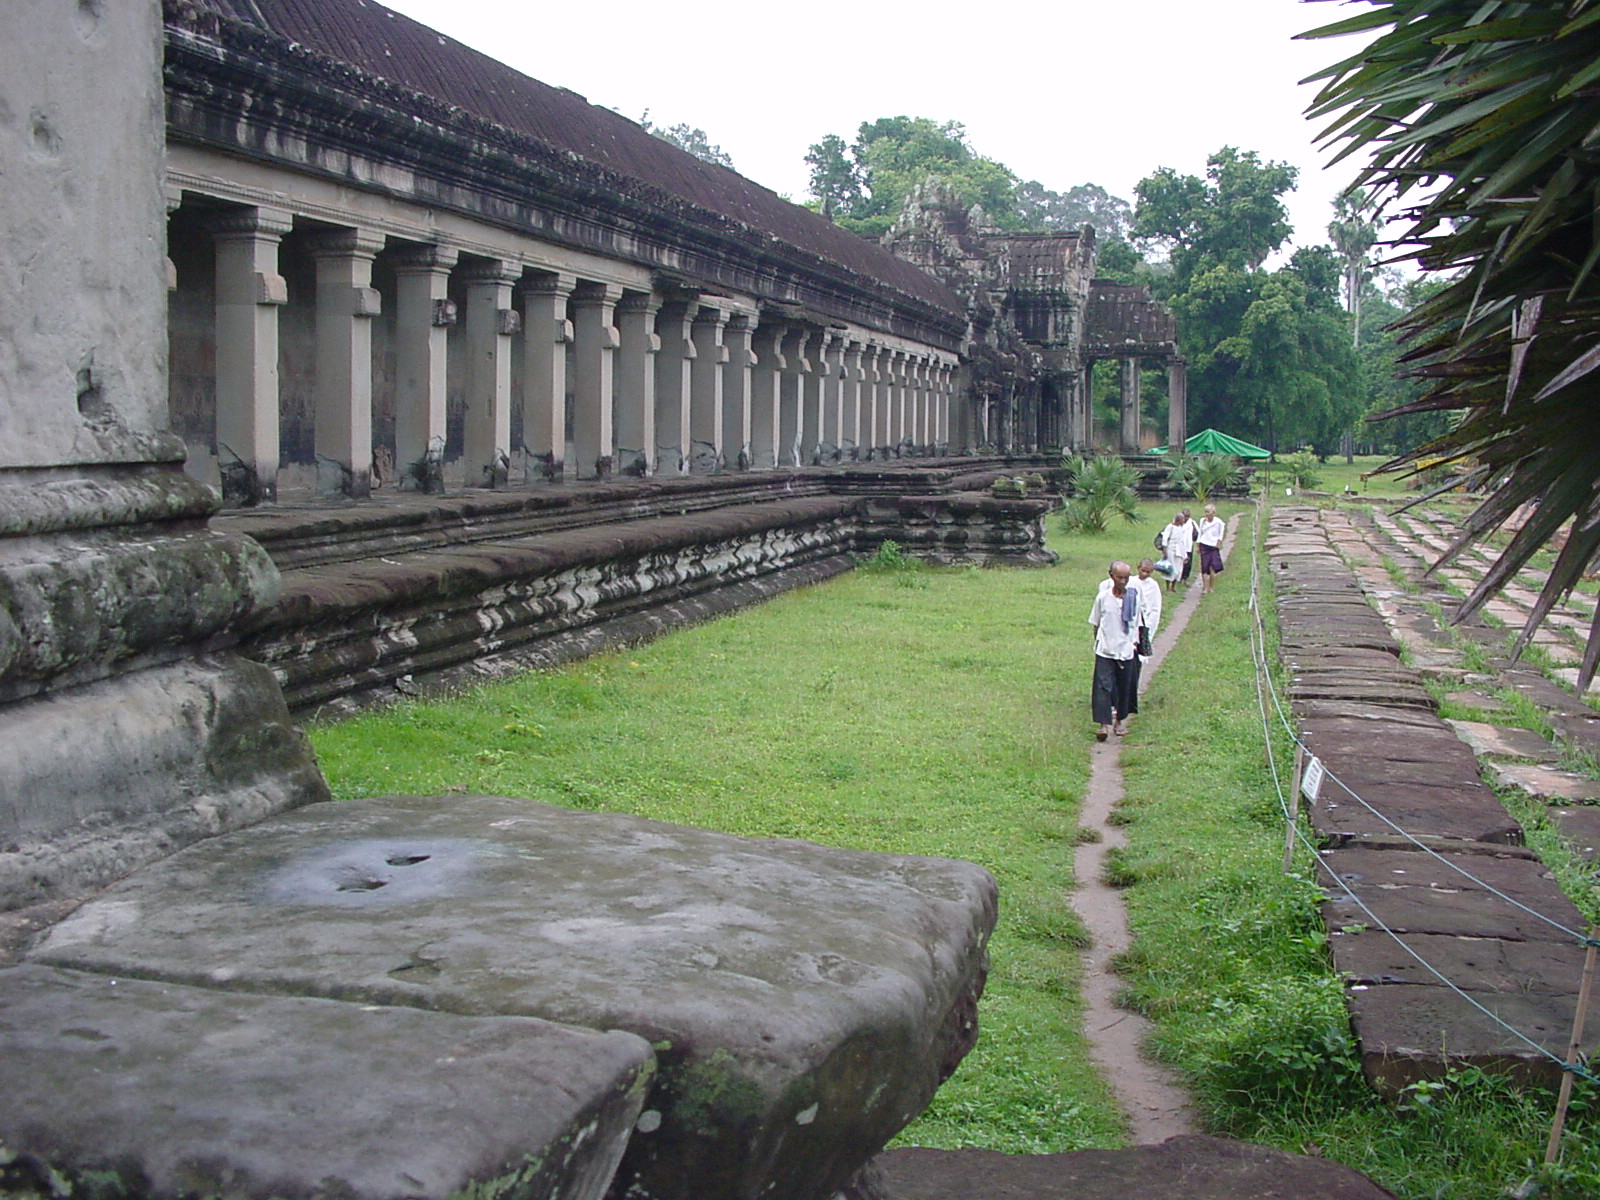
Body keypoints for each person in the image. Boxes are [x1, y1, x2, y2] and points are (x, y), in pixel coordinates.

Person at [1088, 560, 1148, 741]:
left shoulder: (1134, 598)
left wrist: (1134, 645)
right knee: (1103, 687)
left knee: (1125, 687)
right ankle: (1103, 725)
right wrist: (1098, 644)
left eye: (1126, 578)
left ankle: (1119, 722)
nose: (1123, 581)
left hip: (1126, 650)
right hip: (1106, 649)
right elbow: (1096, 623)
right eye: (1119, 577)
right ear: (1111, 576)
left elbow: (1138, 625)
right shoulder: (1103, 598)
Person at [1157, 510, 1194, 593]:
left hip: (1179, 551)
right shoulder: (1170, 527)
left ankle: (1173, 586)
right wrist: (1164, 551)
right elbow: (1165, 539)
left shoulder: (1181, 528)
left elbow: (1183, 542)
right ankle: (1168, 587)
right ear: (1179, 519)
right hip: (1171, 549)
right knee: (1170, 568)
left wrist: (1185, 554)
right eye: (1182, 519)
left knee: (1178, 569)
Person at [1195, 503, 1226, 594]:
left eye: (1208, 512)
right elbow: (1200, 533)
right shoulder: (1202, 521)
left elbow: (1221, 533)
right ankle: (1205, 587)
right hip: (1204, 545)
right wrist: (1198, 545)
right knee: (1204, 567)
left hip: (1213, 546)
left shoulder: (1218, 522)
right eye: (1205, 512)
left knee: (1213, 567)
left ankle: (1211, 587)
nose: (1207, 514)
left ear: (1213, 512)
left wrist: (1218, 542)